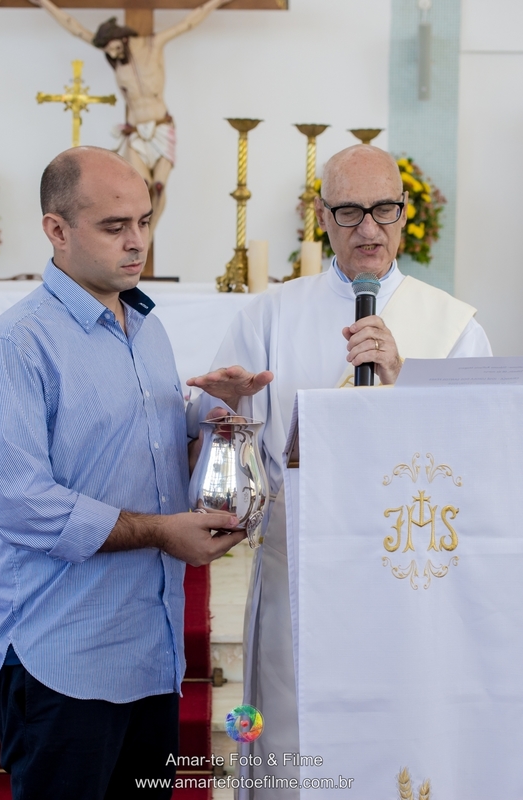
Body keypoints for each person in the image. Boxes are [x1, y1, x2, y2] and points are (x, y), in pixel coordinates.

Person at [186, 145, 491, 798]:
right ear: (321, 217)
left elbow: (484, 457)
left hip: (413, 572)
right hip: (299, 566)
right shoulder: (270, 315)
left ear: (406, 215)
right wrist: (225, 405)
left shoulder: (454, 325)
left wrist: (406, 381)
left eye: (384, 209)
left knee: (399, 736)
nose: (369, 229)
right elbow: (216, 432)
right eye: (349, 211)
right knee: (293, 739)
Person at [0, 147, 244, 800]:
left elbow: (154, 451)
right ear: (56, 231)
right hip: (62, 660)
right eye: (115, 226)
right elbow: (17, 503)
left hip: (149, 653)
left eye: (144, 222)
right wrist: (158, 532)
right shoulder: (16, 346)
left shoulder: (146, 327)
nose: (137, 242)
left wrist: (216, 417)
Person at [33, 0, 230, 236]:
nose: (112, 54)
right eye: (108, 52)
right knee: (141, 188)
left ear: (124, 39)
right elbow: (75, 27)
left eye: (115, 48)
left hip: (161, 129)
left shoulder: (152, 44)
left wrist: (217, 2)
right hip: (136, 132)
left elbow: (188, 23)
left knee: (159, 188)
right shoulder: (113, 51)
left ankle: (149, 236)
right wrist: (45, 2)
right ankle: (142, 236)